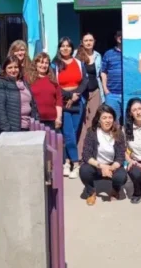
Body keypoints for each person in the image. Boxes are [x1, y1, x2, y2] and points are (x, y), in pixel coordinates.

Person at [53, 37, 88, 179]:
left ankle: (66, 162)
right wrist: (68, 95)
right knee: (68, 134)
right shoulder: (55, 64)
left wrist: (76, 94)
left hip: (78, 102)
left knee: (73, 132)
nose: (65, 48)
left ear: (71, 48)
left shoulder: (79, 63)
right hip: (63, 102)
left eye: (68, 46)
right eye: (62, 46)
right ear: (59, 48)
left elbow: (85, 80)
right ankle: (76, 163)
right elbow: (54, 84)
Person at [79, 105, 127, 206]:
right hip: (97, 165)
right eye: (104, 118)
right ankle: (91, 192)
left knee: (121, 177)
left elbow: (120, 156)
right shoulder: (92, 132)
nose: (107, 121)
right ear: (99, 120)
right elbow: (86, 155)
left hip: (112, 165)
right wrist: (102, 166)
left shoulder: (119, 133)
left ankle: (115, 190)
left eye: (110, 117)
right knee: (84, 170)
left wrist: (111, 167)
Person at [0, 56, 40, 133]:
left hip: (28, 127)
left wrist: (36, 122)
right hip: (12, 130)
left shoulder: (24, 82)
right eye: (10, 67)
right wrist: (7, 130)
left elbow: (33, 105)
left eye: (16, 67)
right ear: (4, 69)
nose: (13, 70)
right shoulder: (0, 84)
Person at [75, 33, 104, 157]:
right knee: (81, 122)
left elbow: (100, 74)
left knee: (93, 122)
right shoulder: (76, 55)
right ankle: (79, 154)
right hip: (81, 93)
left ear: (94, 41)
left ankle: (90, 153)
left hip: (95, 91)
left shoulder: (98, 56)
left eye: (90, 40)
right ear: (82, 42)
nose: (88, 42)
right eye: (86, 40)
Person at [26, 52, 63, 130]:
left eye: (46, 63)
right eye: (41, 62)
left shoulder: (53, 80)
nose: (43, 65)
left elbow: (59, 100)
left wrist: (59, 118)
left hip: (52, 120)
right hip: (34, 120)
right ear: (35, 63)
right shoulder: (28, 79)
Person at [101, 30, 124, 120]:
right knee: (113, 122)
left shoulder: (131, 53)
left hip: (128, 94)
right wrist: (106, 90)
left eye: (123, 35)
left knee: (129, 123)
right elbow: (103, 72)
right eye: (118, 35)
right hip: (112, 95)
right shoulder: (108, 54)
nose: (121, 37)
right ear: (116, 38)